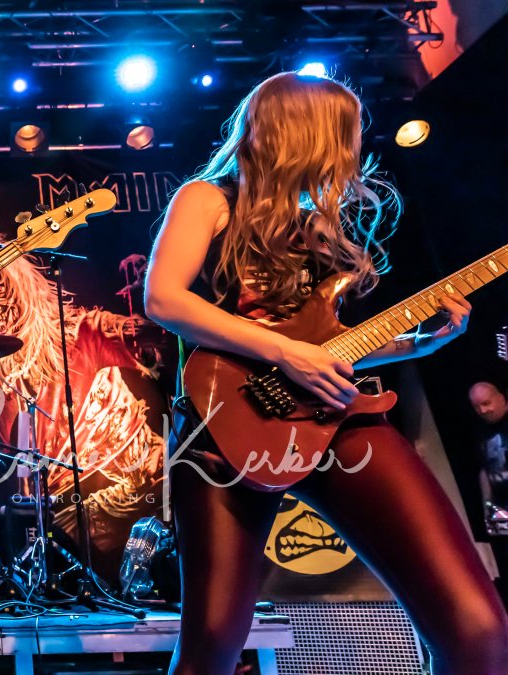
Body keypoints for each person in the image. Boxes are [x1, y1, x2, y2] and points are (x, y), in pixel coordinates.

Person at [144, 72, 508, 674]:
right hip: (222, 426)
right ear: (308, 135)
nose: (354, 151)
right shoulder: (207, 199)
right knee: (212, 645)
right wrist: (286, 353)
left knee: (478, 629)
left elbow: (329, 351)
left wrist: (420, 343)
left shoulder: (318, 228)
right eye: (346, 134)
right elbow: (164, 299)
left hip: (338, 421)